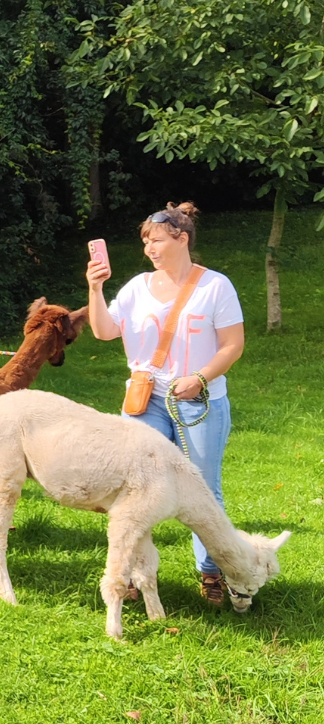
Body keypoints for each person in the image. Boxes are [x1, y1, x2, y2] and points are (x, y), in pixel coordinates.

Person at [87, 201, 245, 604]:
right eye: (146, 242)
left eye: (156, 240)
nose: (149, 249)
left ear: (182, 239)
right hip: (145, 400)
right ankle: (132, 575)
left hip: (199, 401)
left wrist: (200, 377)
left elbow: (233, 345)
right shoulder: (136, 287)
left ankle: (212, 572)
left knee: (203, 489)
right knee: (134, 488)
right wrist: (95, 288)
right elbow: (104, 331)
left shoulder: (215, 287)